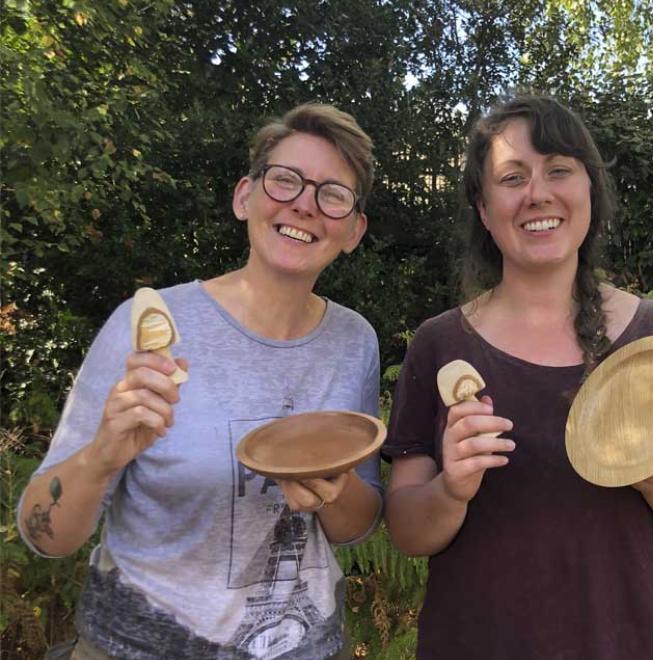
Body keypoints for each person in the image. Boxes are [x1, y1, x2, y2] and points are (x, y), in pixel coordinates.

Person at [382, 95, 653, 659]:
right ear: (483, 207)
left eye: (558, 170)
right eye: (512, 177)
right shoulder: (441, 344)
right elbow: (407, 531)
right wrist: (451, 489)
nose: (538, 194)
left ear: (589, 190)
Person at [18, 103, 383, 659]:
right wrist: (101, 457)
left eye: (332, 194)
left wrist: (334, 490)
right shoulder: (147, 328)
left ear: (354, 229)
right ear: (245, 197)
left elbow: (355, 524)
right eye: (285, 181)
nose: (305, 205)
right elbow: (43, 534)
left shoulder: (353, 341)